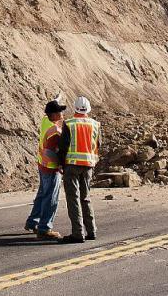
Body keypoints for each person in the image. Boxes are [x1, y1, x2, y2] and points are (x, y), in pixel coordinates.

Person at [57, 96, 101, 243]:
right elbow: (98, 144)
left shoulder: (69, 124)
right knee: (86, 198)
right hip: (88, 165)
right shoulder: (95, 124)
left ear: (75, 108)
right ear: (88, 109)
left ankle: (77, 233)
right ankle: (91, 230)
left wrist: (61, 164)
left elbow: (63, 147)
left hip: (72, 165)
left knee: (73, 199)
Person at [23, 98, 66, 240]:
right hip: (51, 167)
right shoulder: (54, 130)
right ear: (53, 115)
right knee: (50, 198)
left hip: (42, 164)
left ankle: (32, 221)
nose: (62, 114)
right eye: (60, 111)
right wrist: (60, 166)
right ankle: (44, 228)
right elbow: (52, 151)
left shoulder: (45, 121)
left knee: (42, 194)